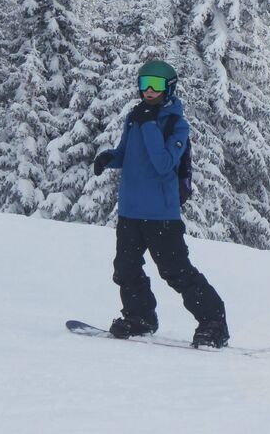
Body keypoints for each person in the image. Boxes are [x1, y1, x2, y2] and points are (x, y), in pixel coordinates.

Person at [93, 60, 230, 348]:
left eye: (156, 85)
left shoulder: (175, 125)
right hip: (130, 212)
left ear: (169, 89)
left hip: (161, 216)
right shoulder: (135, 117)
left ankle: (213, 323)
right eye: (145, 84)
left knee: (176, 271)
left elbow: (163, 164)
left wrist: (150, 126)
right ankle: (140, 318)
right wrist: (109, 158)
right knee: (126, 269)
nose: (149, 91)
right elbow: (126, 153)